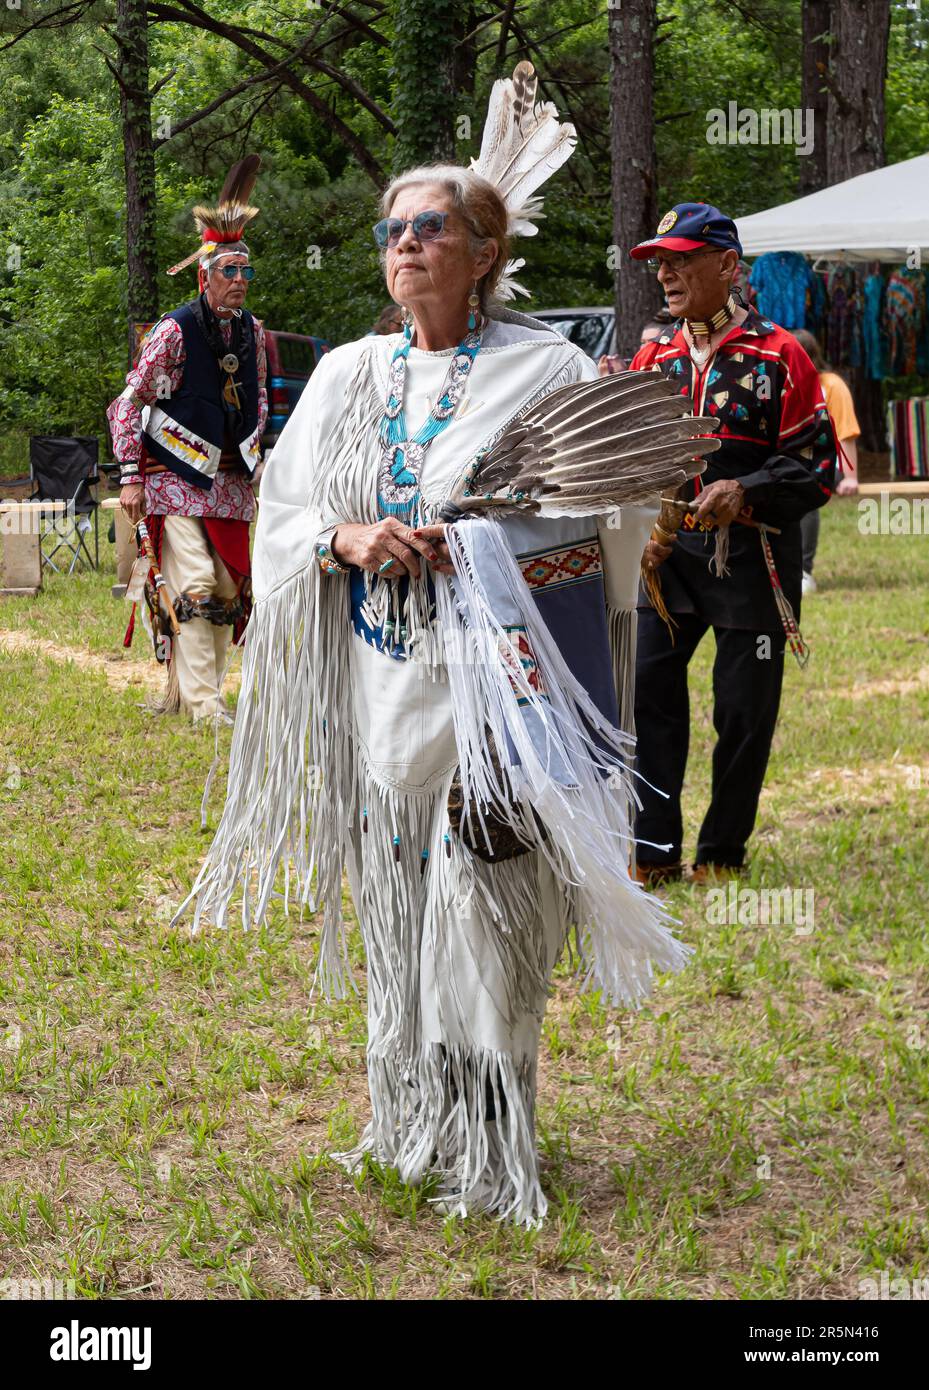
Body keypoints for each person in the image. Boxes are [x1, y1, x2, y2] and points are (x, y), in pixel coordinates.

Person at [177, 64, 692, 1225]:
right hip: (382, 683)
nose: (405, 246)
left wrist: (474, 546)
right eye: (390, 231)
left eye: (430, 228)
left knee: (487, 905)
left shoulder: (543, 370)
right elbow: (286, 514)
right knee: (400, 910)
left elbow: (598, 532)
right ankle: (406, 1121)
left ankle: (493, 1140)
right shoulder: (351, 377)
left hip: (500, 694)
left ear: (481, 249)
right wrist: (353, 534)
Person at [628, 203, 837, 886]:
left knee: (742, 710)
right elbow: (632, 458)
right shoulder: (652, 354)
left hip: (751, 561)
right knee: (647, 695)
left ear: (726, 264)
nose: (665, 272)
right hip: (666, 559)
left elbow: (818, 467)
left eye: (680, 257)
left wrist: (744, 490)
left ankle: (720, 853)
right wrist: (639, 527)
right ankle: (652, 853)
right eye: (660, 261)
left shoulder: (780, 355)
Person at [107, 157, 267, 722]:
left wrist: (257, 461)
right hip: (175, 476)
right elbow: (129, 404)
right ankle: (205, 704)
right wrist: (130, 476)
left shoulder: (254, 332)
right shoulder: (173, 330)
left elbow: (260, 401)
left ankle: (186, 690)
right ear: (206, 277)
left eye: (246, 270)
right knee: (195, 583)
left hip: (229, 481)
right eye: (229, 270)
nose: (240, 280)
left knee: (227, 586)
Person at [793, 328, 860, 595]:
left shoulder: (831, 385)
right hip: (795, 461)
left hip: (829, 465)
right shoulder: (784, 384)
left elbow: (846, 433)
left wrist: (851, 476)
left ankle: (803, 571)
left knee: (806, 489)